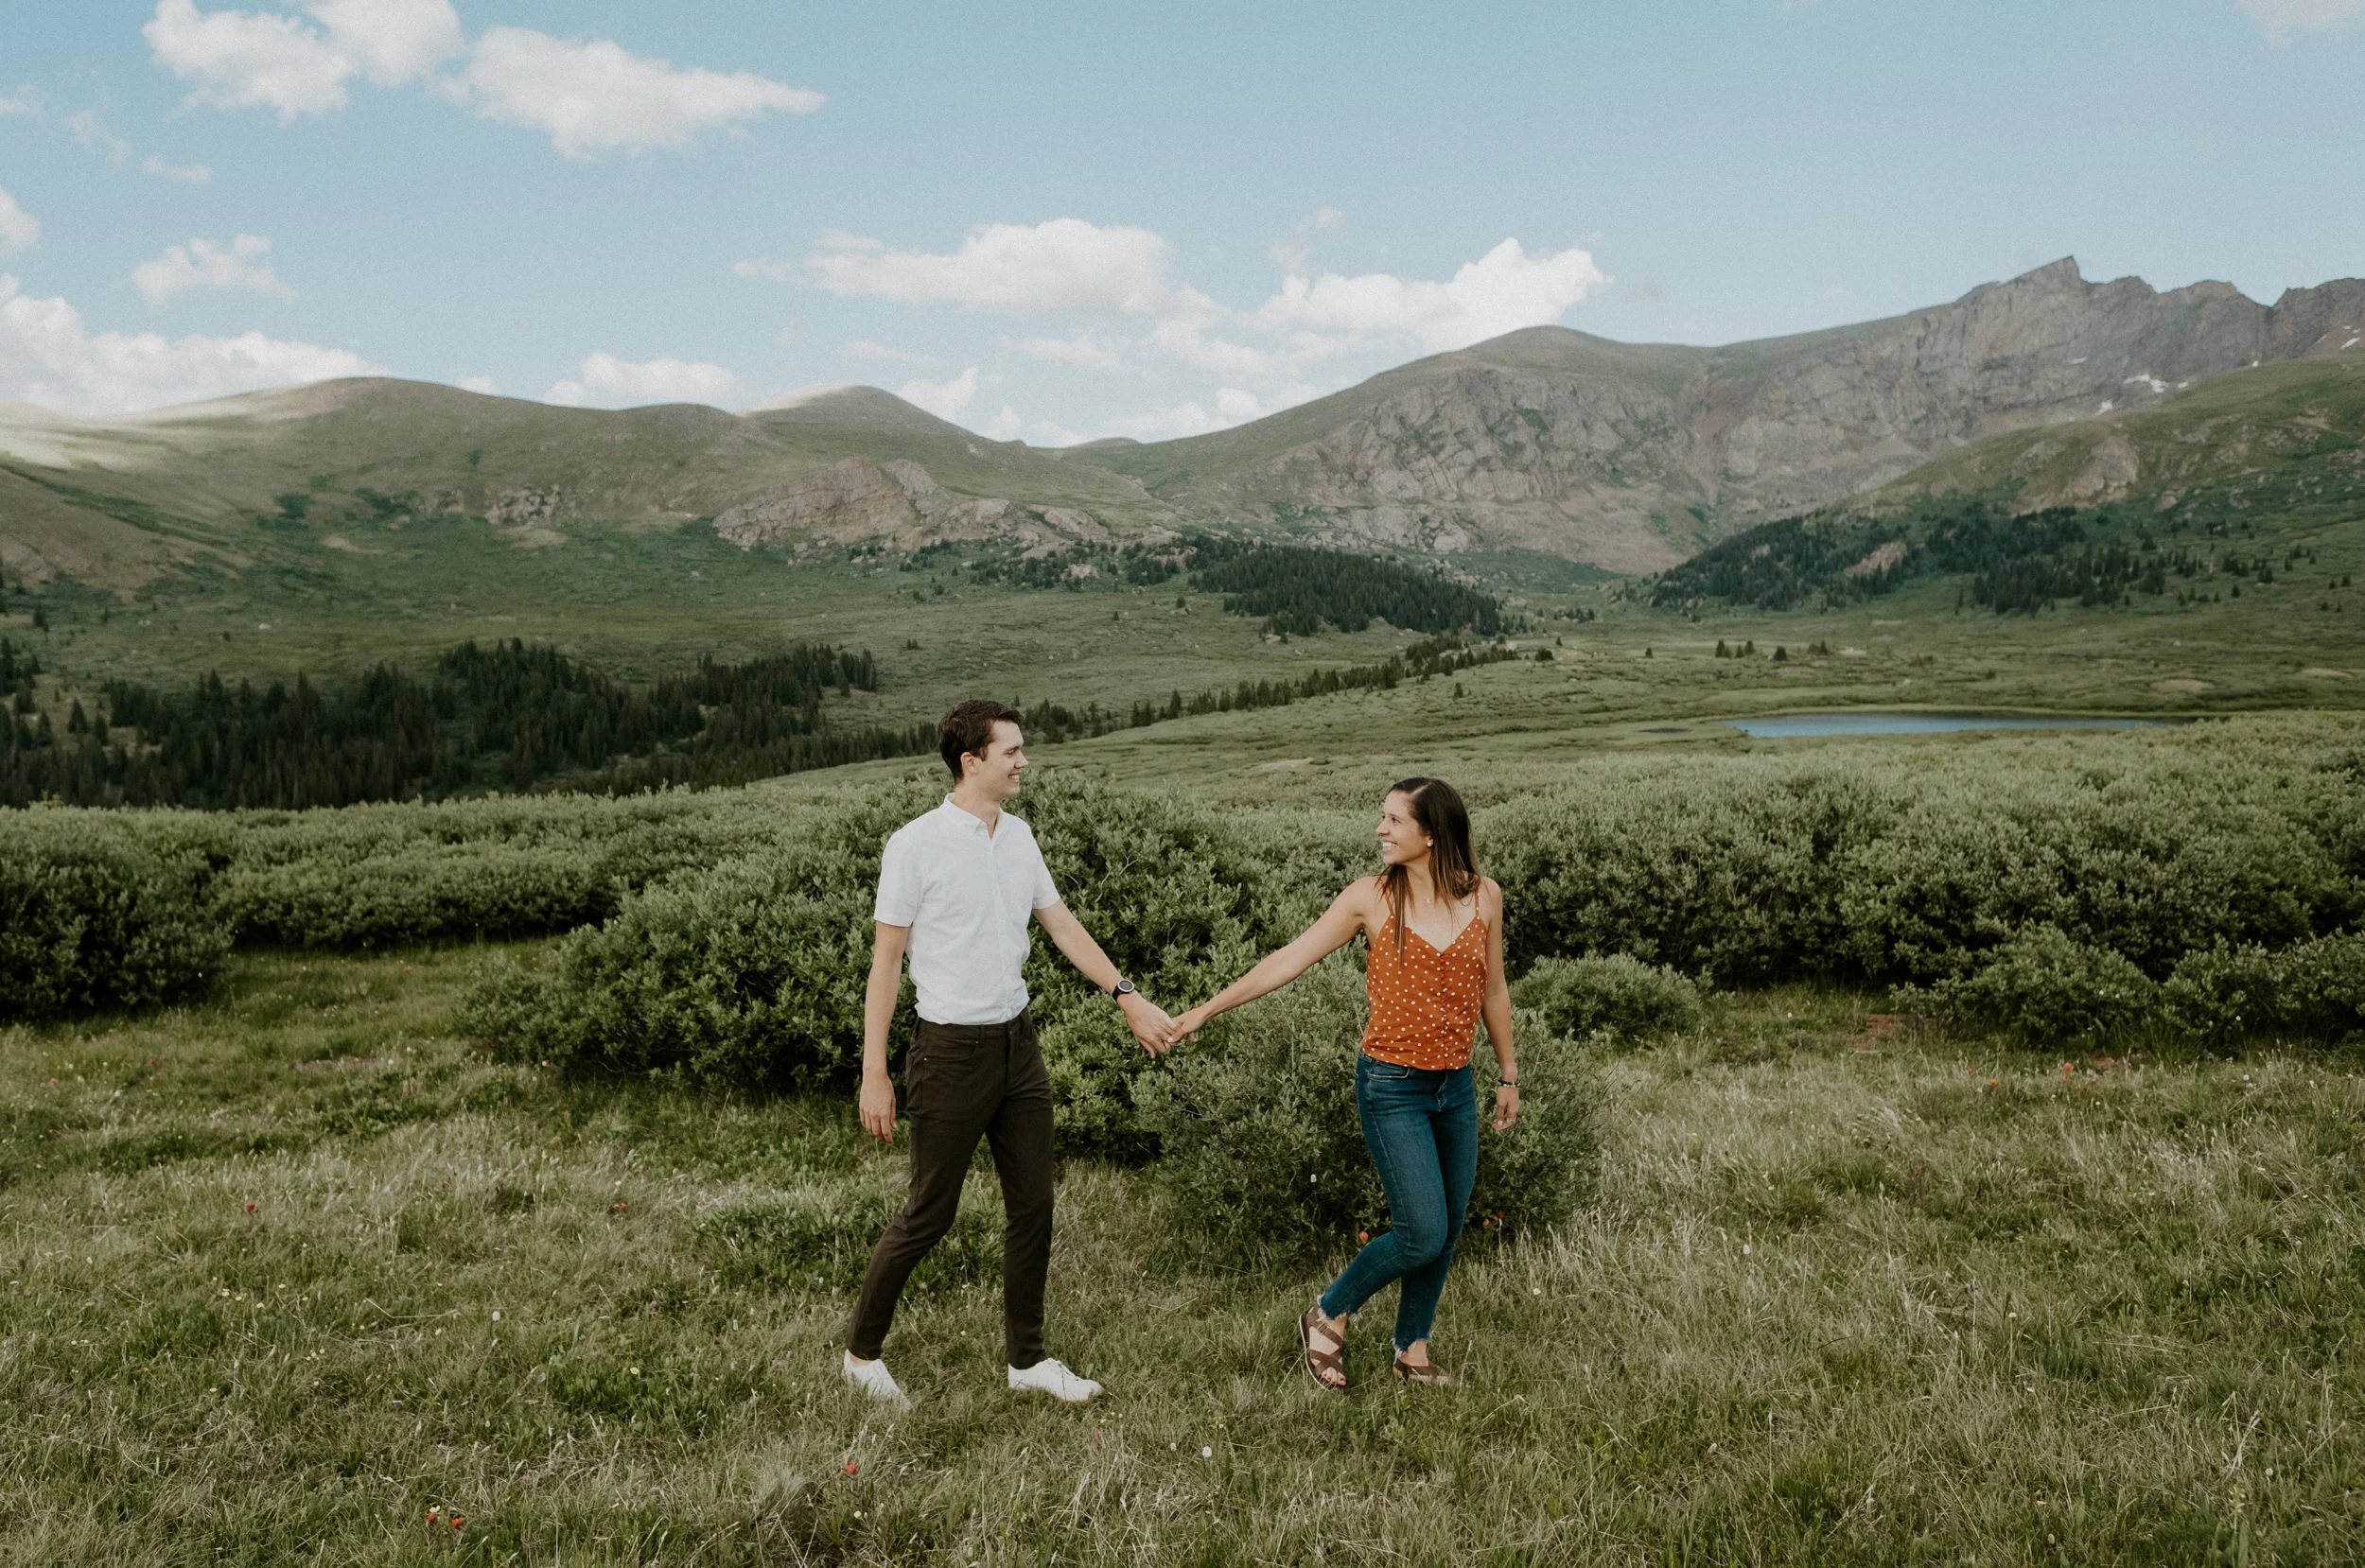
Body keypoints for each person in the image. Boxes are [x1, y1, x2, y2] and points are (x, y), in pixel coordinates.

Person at [843, 698, 1178, 1408]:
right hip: (950, 1052)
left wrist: (1127, 994)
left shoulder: (1020, 837)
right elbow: (885, 964)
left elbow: (1062, 928)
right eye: (1012, 752)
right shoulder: (915, 845)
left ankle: (1027, 1360)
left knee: (1035, 1205)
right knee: (929, 1213)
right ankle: (861, 1355)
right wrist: (874, 1072)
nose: (1024, 761)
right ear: (973, 762)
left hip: (1017, 1047)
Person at [1172, 776, 1515, 1390]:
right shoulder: (1370, 899)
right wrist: (1206, 1009)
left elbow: (1493, 989)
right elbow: (1287, 959)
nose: (1380, 830)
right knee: (1421, 1231)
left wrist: (1508, 1075)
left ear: (1431, 835)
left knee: (1447, 1225)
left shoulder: (1484, 896)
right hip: (1393, 1087)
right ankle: (1328, 1312)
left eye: (1393, 820)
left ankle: (1412, 1346)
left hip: (1456, 1088)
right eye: (1380, 817)